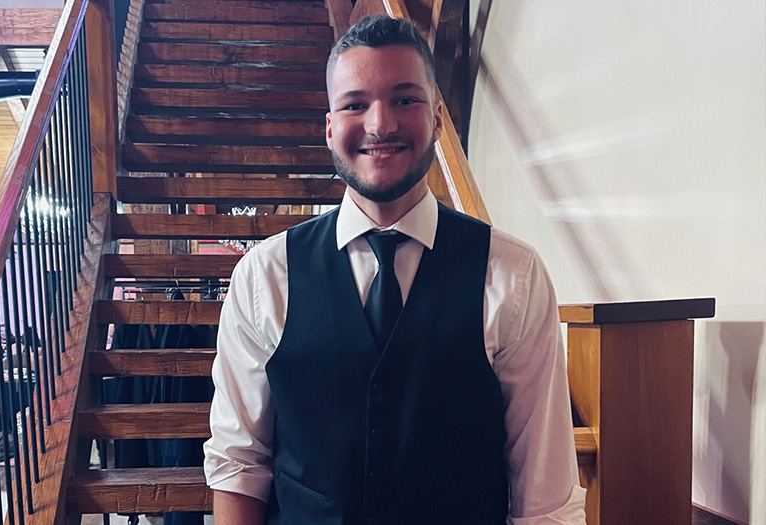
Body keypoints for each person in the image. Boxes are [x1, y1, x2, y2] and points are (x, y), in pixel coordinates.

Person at [204, 14, 586, 524]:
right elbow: (239, 463)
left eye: (405, 99)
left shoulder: (511, 275)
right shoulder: (264, 277)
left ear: (437, 119)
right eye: (355, 104)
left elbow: (545, 497)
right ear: (330, 127)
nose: (380, 125)